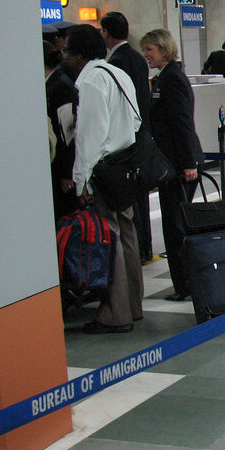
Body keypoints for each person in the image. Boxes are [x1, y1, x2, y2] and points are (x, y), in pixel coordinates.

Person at [64, 24, 143, 333]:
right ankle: (134, 305)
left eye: (68, 52)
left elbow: (90, 136)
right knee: (127, 234)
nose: (66, 58)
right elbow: (134, 120)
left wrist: (81, 179)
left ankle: (116, 313)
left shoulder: (92, 81)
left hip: (103, 168)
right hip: (125, 163)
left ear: (79, 54)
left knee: (107, 237)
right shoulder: (117, 74)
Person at [140, 29, 204, 300]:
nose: (146, 55)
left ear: (164, 50)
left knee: (176, 227)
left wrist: (189, 162)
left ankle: (186, 284)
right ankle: (184, 283)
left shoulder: (172, 80)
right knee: (174, 225)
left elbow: (181, 123)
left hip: (179, 166)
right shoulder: (165, 78)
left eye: (150, 50)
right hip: (174, 164)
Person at [100, 10, 153, 265]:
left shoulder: (117, 62)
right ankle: (144, 247)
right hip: (140, 132)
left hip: (126, 139)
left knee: (131, 200)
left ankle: (139, 248)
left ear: (106, 33)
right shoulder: (136, 58)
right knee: (140, 196)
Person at [44, 39, 78, 222]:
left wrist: (67, 173)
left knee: (66, 217)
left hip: (63, 167)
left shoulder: (59, 87)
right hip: (59, 164)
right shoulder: (55, 83)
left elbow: (68, 134)